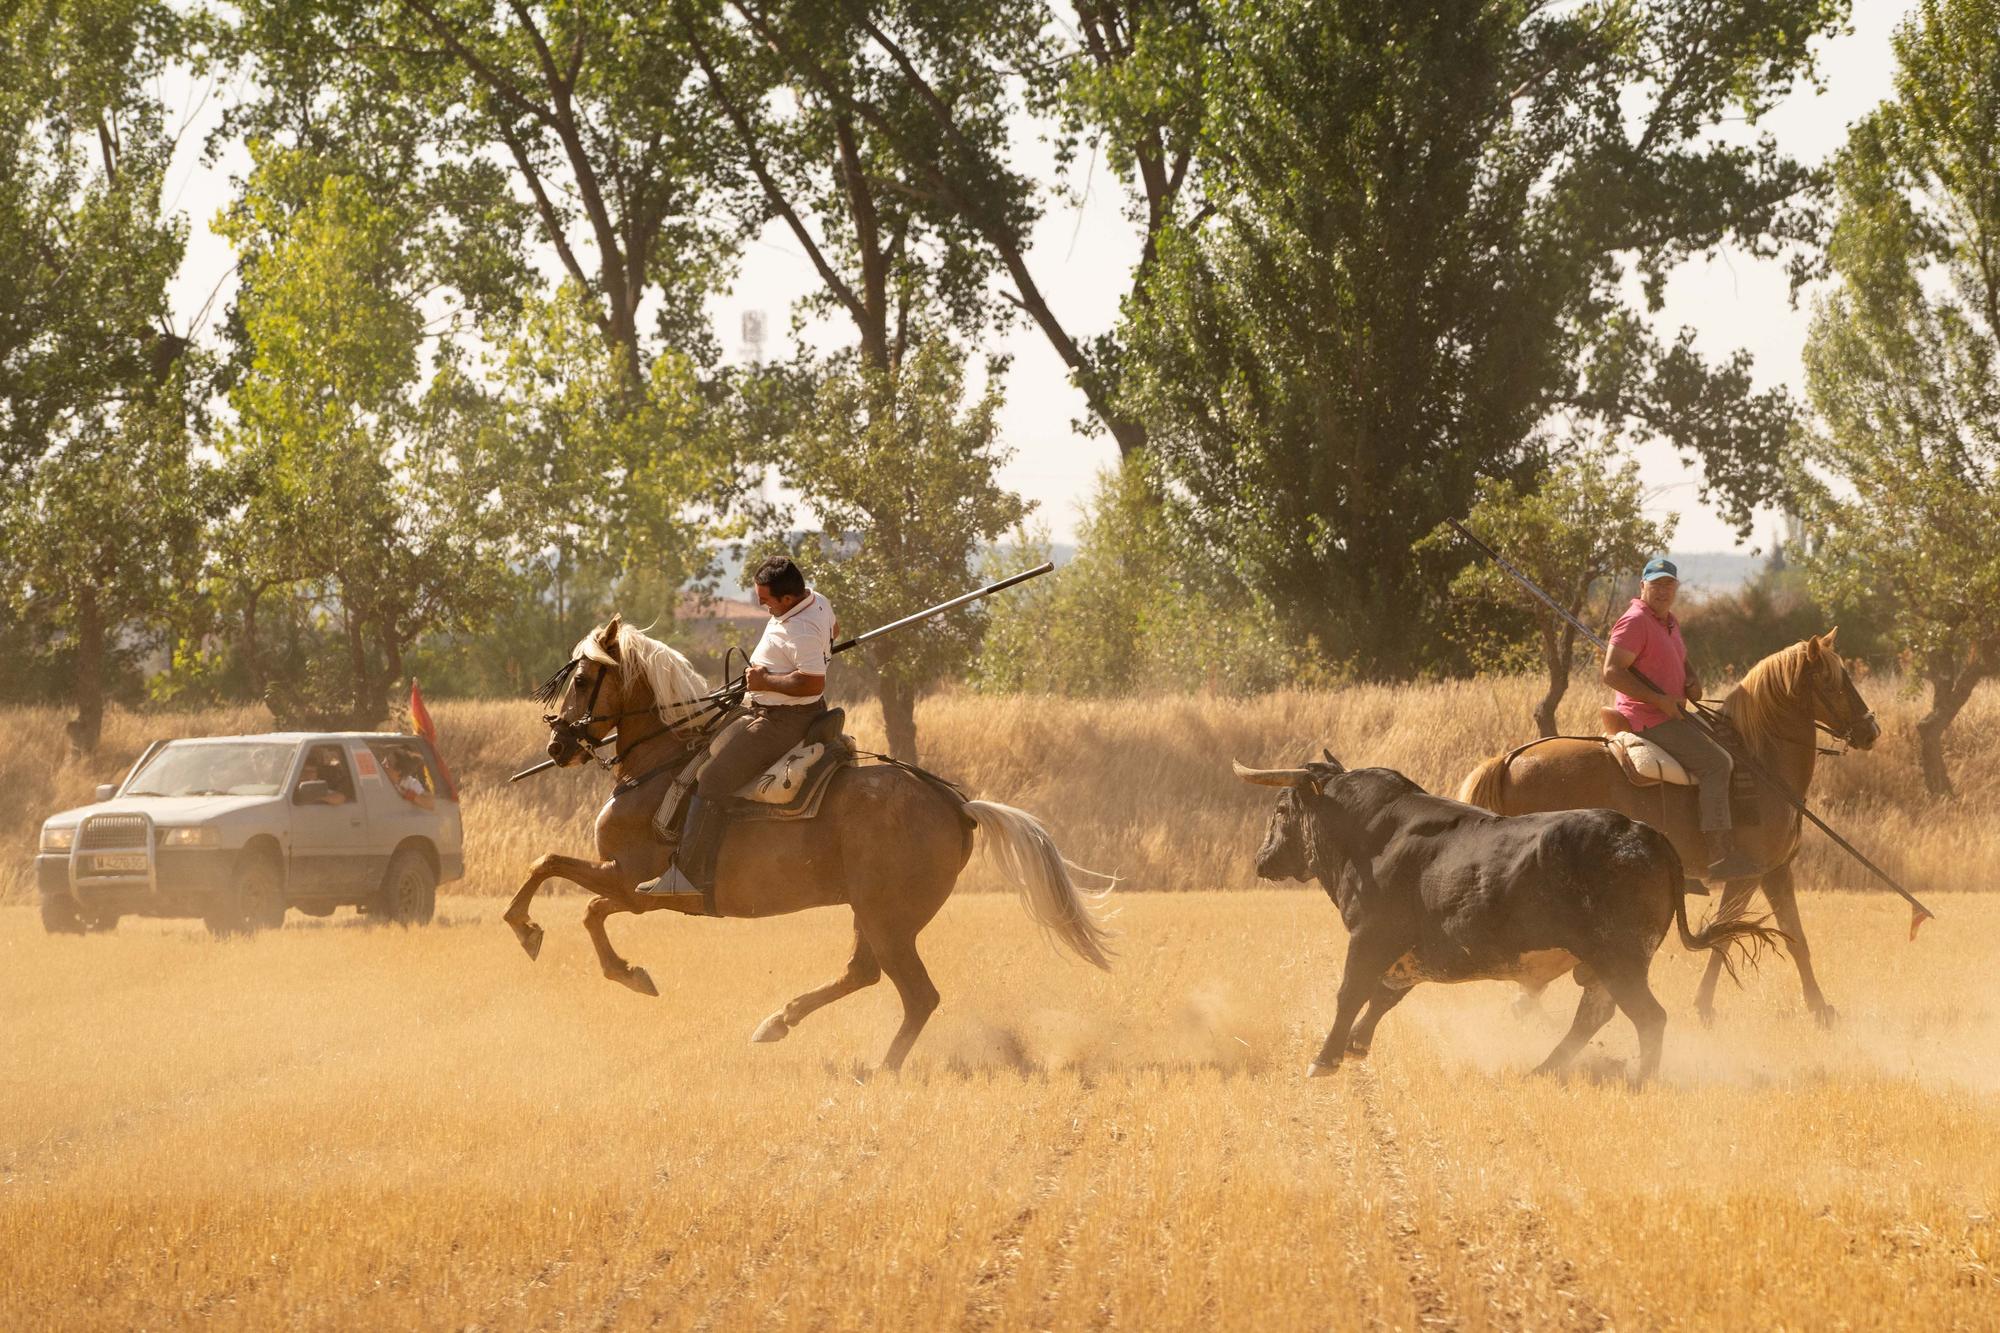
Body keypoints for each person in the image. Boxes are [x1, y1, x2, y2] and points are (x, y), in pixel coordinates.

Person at [638, 556, 837, 906]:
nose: (760, 604)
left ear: (788, 599)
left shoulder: (801, 628)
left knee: (712, 779)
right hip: (767, 707)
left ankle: (689, 875)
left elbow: (811, 684)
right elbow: (833, 631)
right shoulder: (816, 600)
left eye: (765, 599)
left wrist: (765, 680)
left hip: (782, 721)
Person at [1602, 557, 1760, 880]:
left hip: (1671, 713)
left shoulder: (1669, 622)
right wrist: (1660, 699)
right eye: (1656, 584)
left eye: (1668, 585)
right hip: (1646, 718)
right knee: (1717, 764)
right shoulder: (1635, 621)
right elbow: (1611, 672)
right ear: (1642, 586)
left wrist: (1692, 679)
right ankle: (1718, 855)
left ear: (1675, 589)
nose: (1662, 591)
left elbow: (1680, 661)